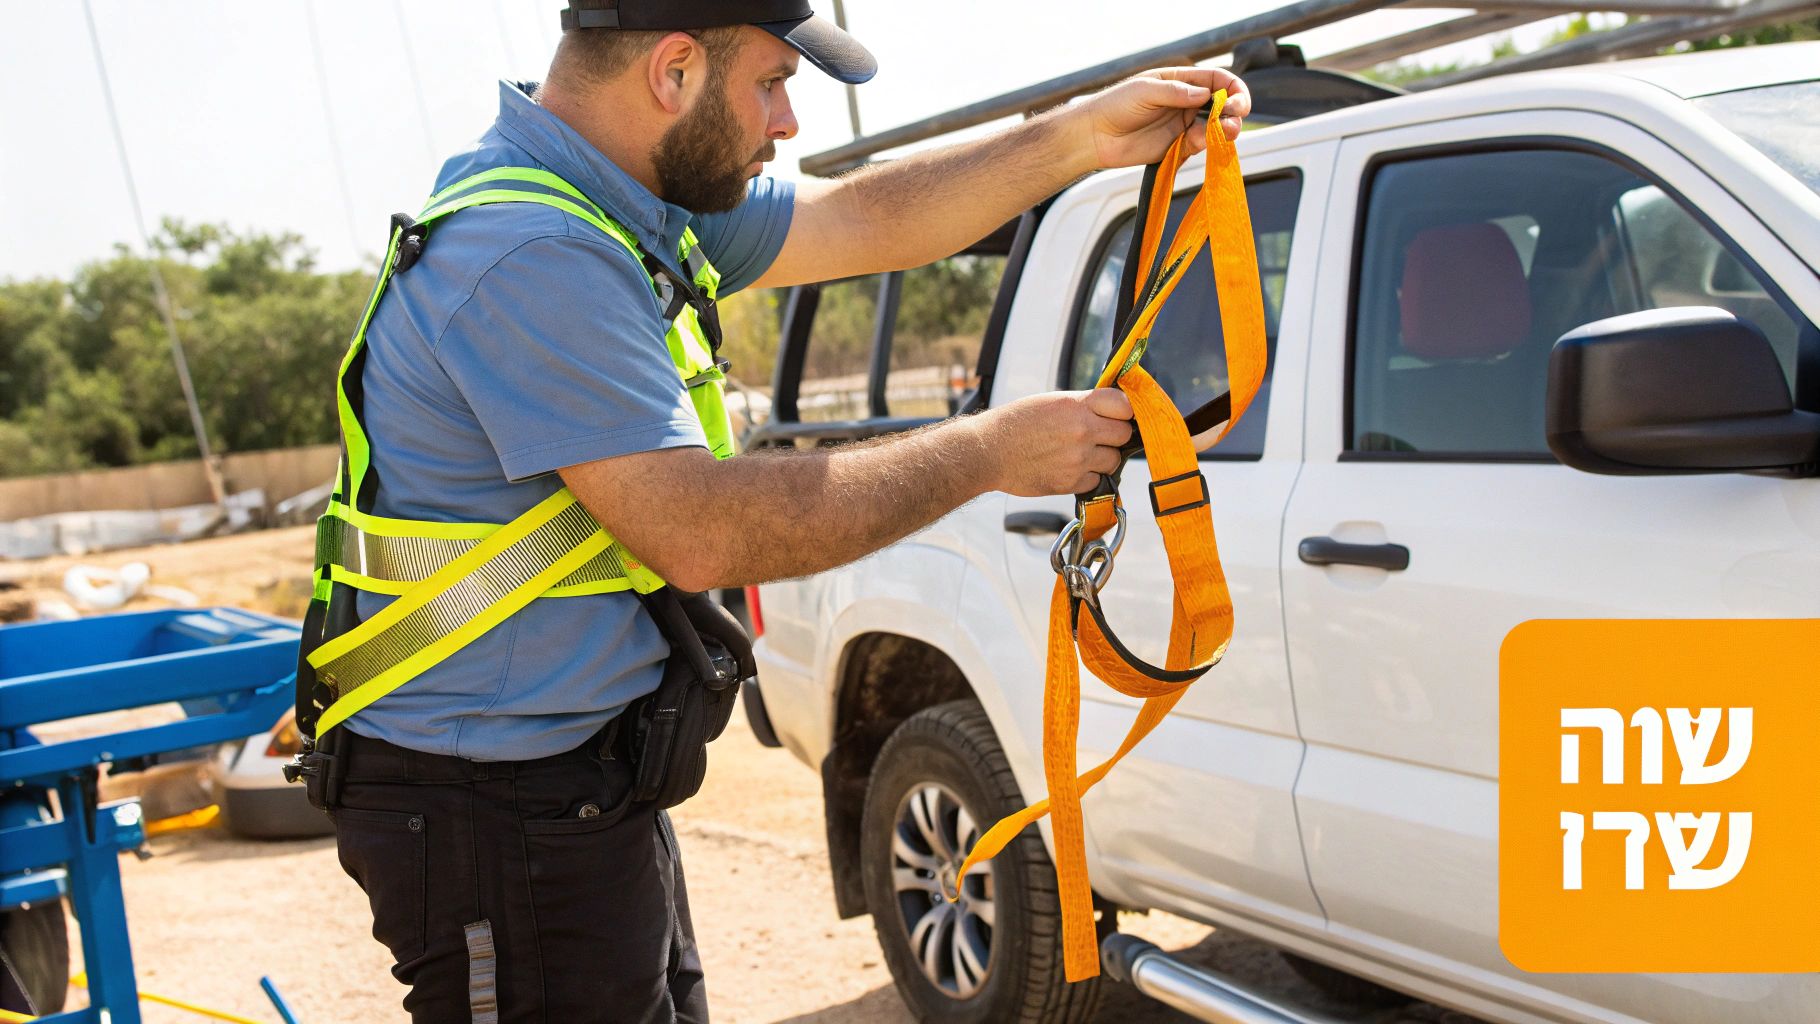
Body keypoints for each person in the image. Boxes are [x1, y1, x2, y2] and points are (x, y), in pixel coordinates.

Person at [310, 2, 1250, 1020]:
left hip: (567, 776)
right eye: (771, 83)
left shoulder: (615, 198)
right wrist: (989, 450)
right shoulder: (532, 251)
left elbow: (865, 220)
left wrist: (1075, 135)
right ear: (672, 72)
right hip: (490, 805)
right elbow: (701, 529)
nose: (787, 123)